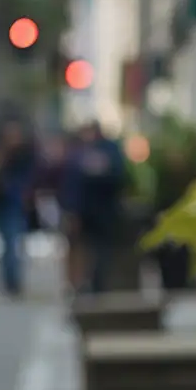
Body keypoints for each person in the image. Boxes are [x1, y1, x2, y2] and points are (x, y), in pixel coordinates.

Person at [61, 120, 127, 295]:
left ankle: (98, 283)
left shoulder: (110, 150)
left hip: (104, 211)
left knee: (101, 250)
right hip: (82, 212)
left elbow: (119, 176)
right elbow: (71, 184)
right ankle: (79, 284)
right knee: (79, 248)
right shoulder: (78, 153)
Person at [0, 119, 34, 296]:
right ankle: (10, 280)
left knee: (13, 243)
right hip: (3, 205)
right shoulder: (0, 155)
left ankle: (13, 281)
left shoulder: (25, 155)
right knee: (9, 243)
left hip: (16, 205)